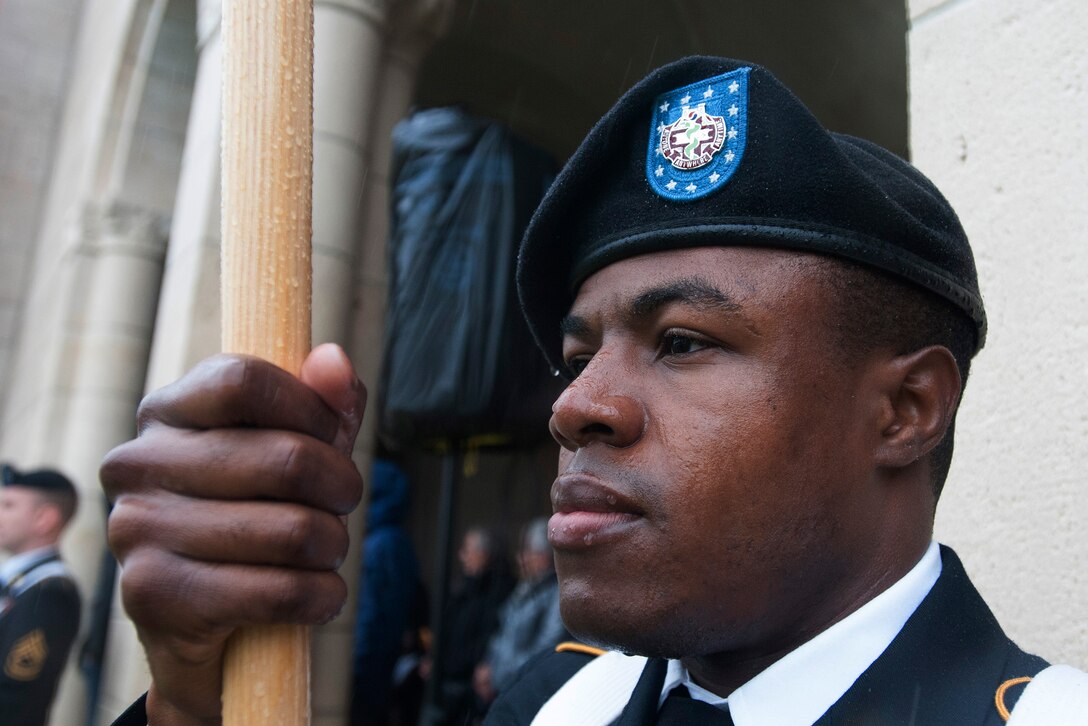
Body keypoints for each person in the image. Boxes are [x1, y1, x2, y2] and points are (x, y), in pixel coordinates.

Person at [100, 56, 1088, 726]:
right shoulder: (552, 703)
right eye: (576, 357)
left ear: (904, 411)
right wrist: (192, 702)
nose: (574, 407)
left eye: (685, 341)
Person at [0, 463, 82, 726]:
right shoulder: (20, 582)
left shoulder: (49, 591)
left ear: (44, 518)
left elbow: (14, 696)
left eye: (8, 505)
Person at [350, 458, 425, 726]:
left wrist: (357, 663)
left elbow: (370, 610)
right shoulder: (396, 541)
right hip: (384, 662)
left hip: (369, 665)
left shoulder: (379, 544)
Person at [422, 526, 514, 725]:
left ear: (484, 554)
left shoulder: (497, 591)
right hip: (446, 683)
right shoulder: (464, 587)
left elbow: (486, 638)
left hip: (469, 688)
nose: (462, 556)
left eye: (468, 550)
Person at [473, 517, 566, 706]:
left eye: (528, 552)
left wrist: (496, 674)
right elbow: (502, 633)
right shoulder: (523, 590)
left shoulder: (556, 596)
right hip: (504, 689)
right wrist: (487, 666)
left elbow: (545, 648)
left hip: (528, 693)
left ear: (544, 557)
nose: (521, 558)